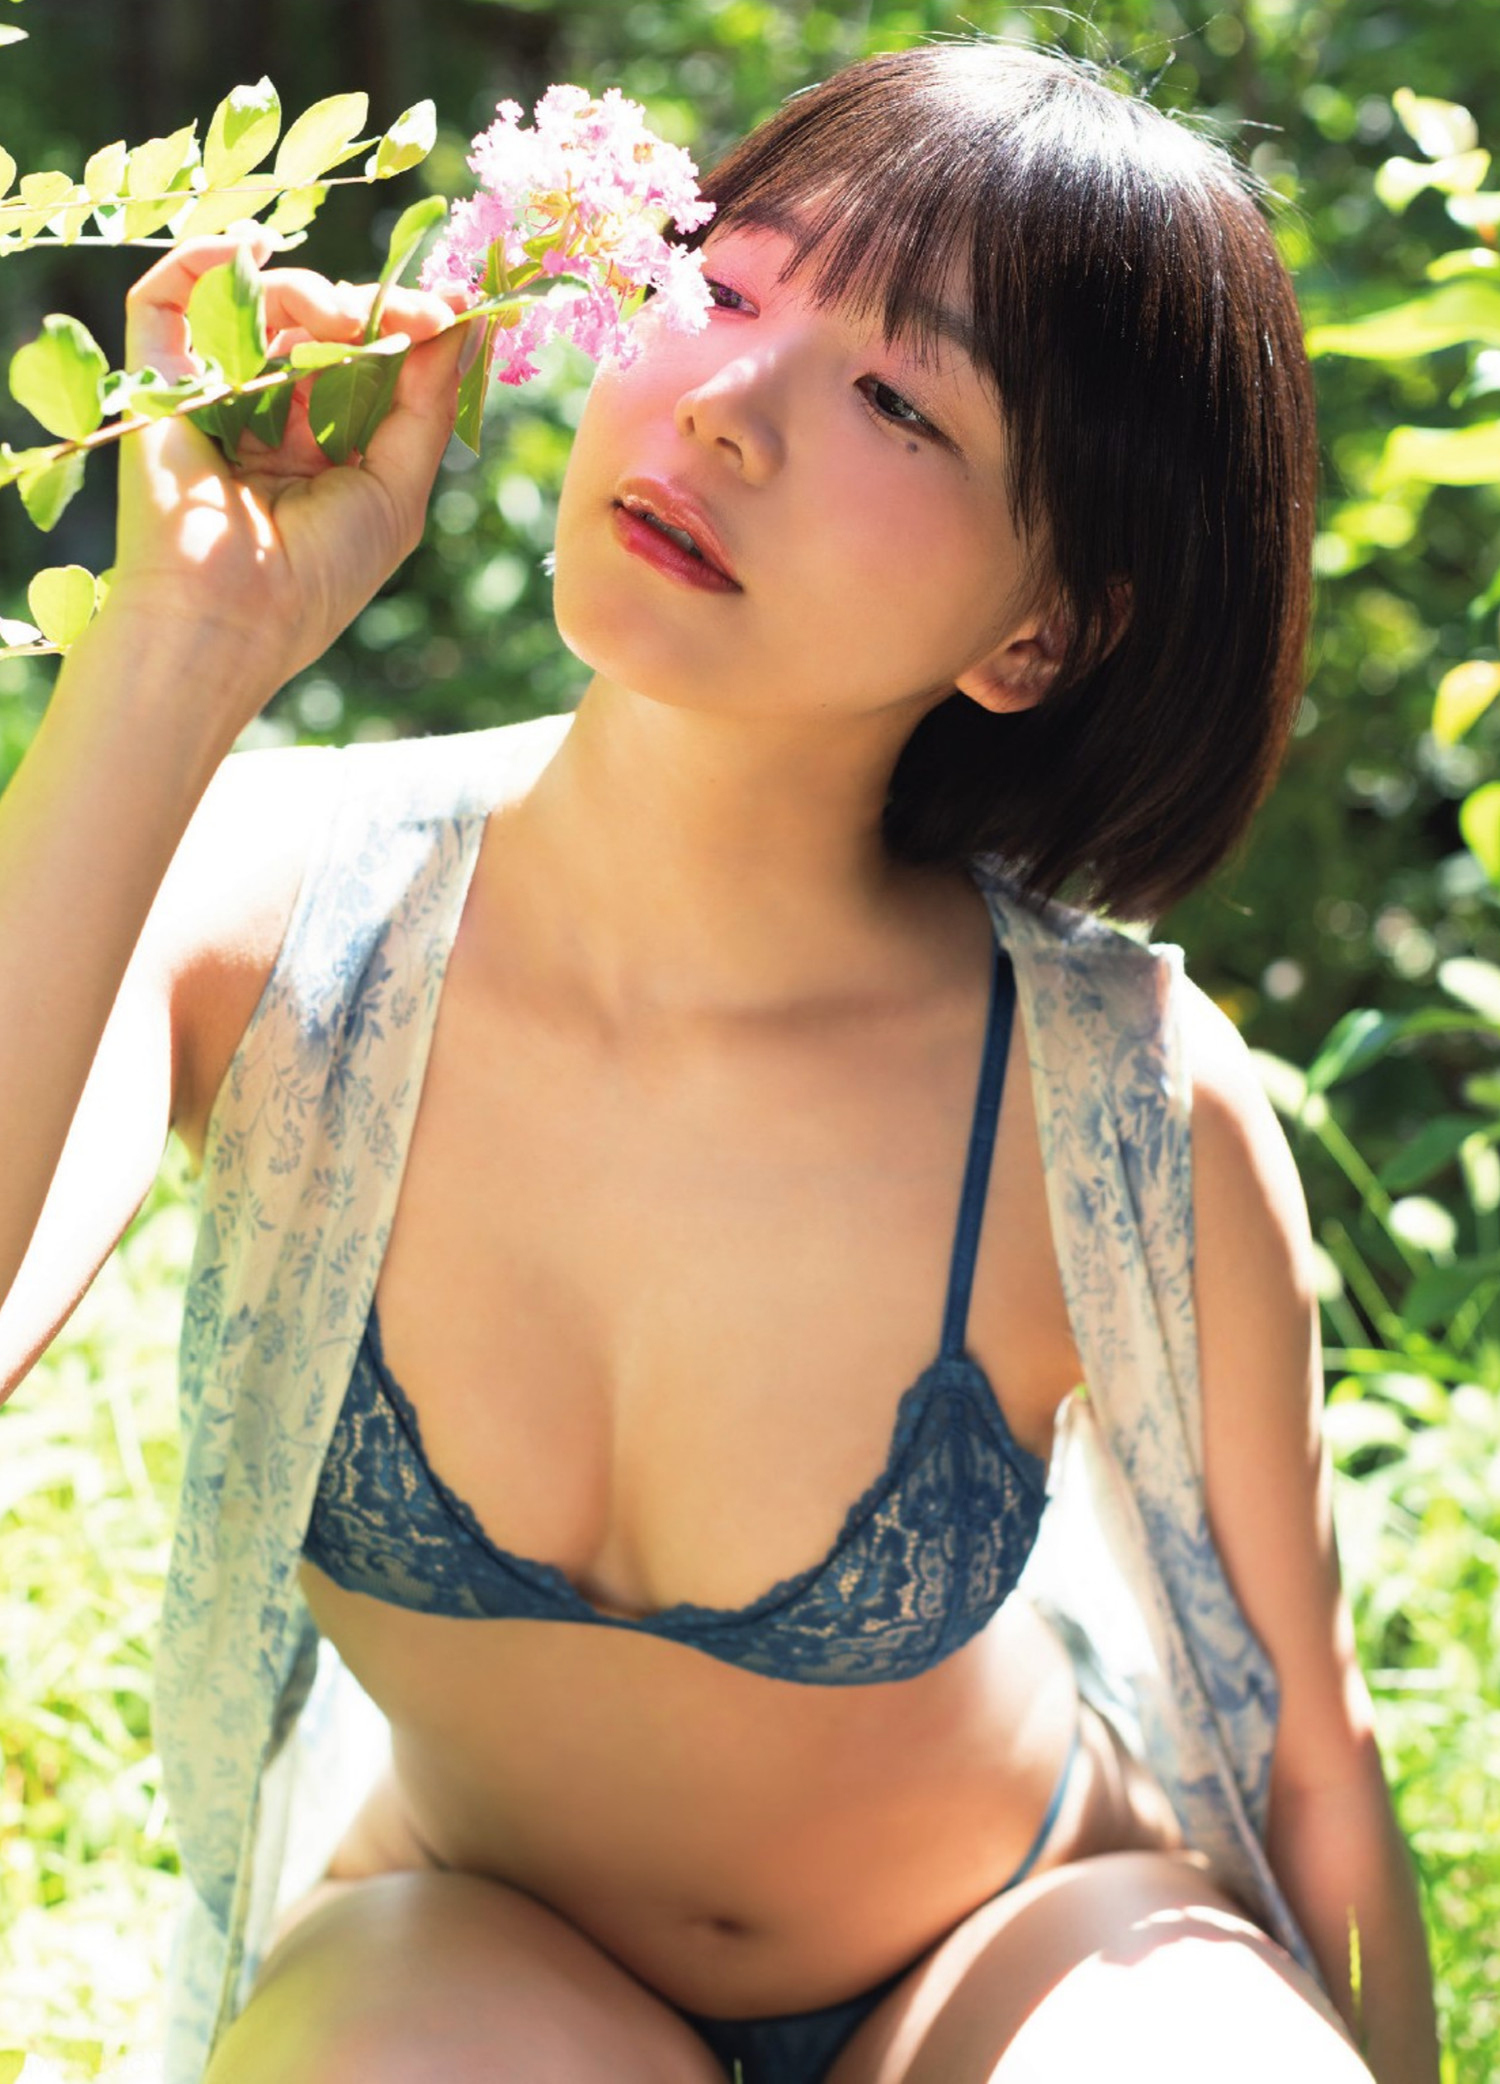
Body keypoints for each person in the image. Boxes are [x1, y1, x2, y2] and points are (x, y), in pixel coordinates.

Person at [0, 37, 1440, 2084]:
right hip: (471, 1961)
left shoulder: (1116, 1096)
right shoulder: (276, 898)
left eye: (900, 402)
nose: (728, 404)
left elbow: (1310, 1749)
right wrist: (179, 648)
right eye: (725, 284)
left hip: (1026, 1953)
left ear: (1036, 632)